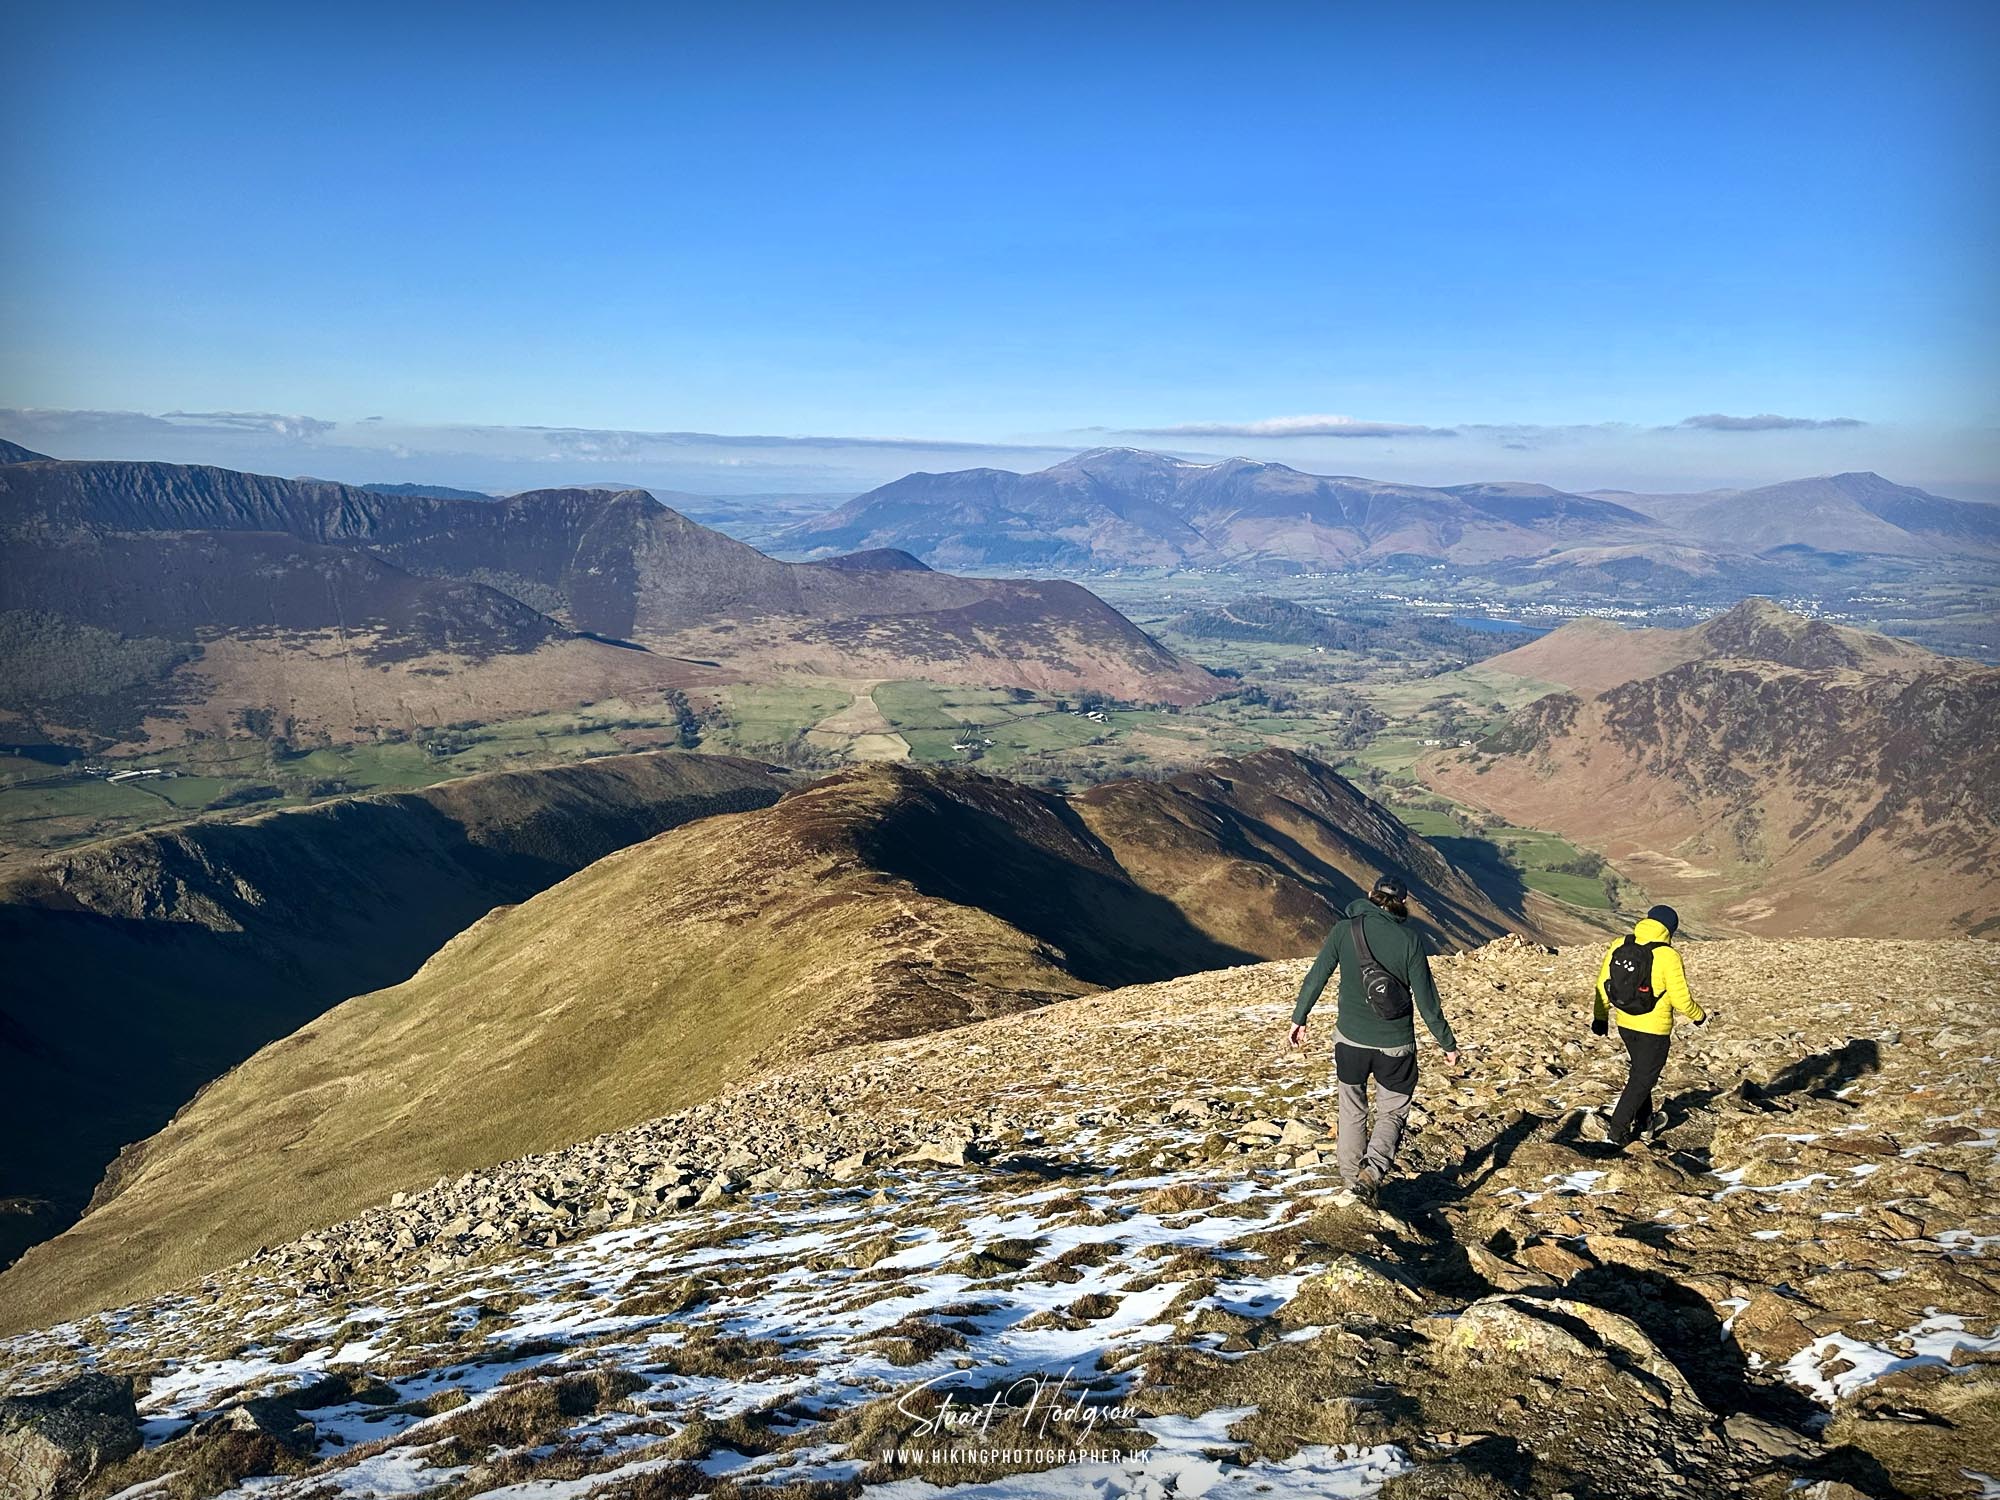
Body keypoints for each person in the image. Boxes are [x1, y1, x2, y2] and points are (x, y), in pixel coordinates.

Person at [1288, 874, 1460, 1205]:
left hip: (1350, 1041)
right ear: (1403, 904)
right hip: (1395, 1046)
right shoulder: (1409, 940)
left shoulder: (1344, 930)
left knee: (1351, 1110)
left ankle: (1353, 1183)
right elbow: (1427, 1002)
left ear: (1370, 895)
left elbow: (1317, 976)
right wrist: (1447, 1044)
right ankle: (1371, 1174)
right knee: (1392, 1112)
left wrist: (1299, 1018)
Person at [1586, 904, 1704, 1146]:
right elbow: (1681, 999)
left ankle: (1645, 1124)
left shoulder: (1621, 944)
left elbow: (1603, 984)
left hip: (1626, 1024)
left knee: (1641, 1073)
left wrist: (1600, 1017)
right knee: (1642, 1079)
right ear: (1670, 930)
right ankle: (1617, 1131)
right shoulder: (1667, 955)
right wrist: (1699, 1015)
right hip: (1654, 1029)